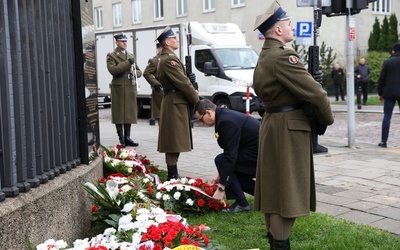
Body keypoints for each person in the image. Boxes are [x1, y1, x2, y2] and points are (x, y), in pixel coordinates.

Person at [253, 2, 334, 249]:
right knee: (286, 193)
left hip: (274, 125)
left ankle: (276, 242)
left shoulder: (266, 56)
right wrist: (326, 119)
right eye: (288, 23)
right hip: (288, 129)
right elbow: (316, 95)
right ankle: (280, 245)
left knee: (275, 191)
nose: (291, 27)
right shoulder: (284, 56)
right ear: (278, 30)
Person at [193, 99, 259, 213]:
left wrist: (221, 187)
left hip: (259, 156)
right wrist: (221, 174)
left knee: (221, 160)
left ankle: (241, 203)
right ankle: (264, 195)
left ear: (208, 112)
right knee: (228, 171)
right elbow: (231, 150)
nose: (202, 123)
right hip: (254, 152)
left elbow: (230, 155)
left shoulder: (226, 121)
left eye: (201, 119)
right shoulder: (223, 116)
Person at [156, 26, 199, 180]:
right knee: (173, 141)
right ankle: (172, 175)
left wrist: (190, 79)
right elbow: (183, 84)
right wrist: (197, 101)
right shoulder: (169, 60)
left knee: (175, 140)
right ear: (167, 42)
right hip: (174, 103)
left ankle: (173, 173)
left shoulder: (168, 58)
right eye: (174, 38)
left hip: (175, 102)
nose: (177, 40)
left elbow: (183, 80)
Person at [107, 33, 142, 148]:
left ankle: (127, 137)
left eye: (126, 41)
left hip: (130, 85)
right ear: (116, 42)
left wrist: (134, 73)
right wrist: (128, 63)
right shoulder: (111, 55)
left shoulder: (130, 55)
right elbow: (113, 70)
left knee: (129, 113)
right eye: (122, 41)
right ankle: (121, 138)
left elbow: (139, 71)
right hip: (118, 87)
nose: (125, 43)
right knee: (119, 113)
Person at [377, 42, 400, 148]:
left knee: (387, 116)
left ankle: (384, 141)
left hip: (389, 92)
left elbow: (381, 79)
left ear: (393, 51)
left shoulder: (388, 61)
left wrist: (380, 93)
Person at [143, 43, 164, 122]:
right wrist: (155, 83)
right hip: (161, 91)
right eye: (161, 47)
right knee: (161, 116)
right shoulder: (155, 60)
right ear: (158, 49)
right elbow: (146, 73)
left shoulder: (170, 57)